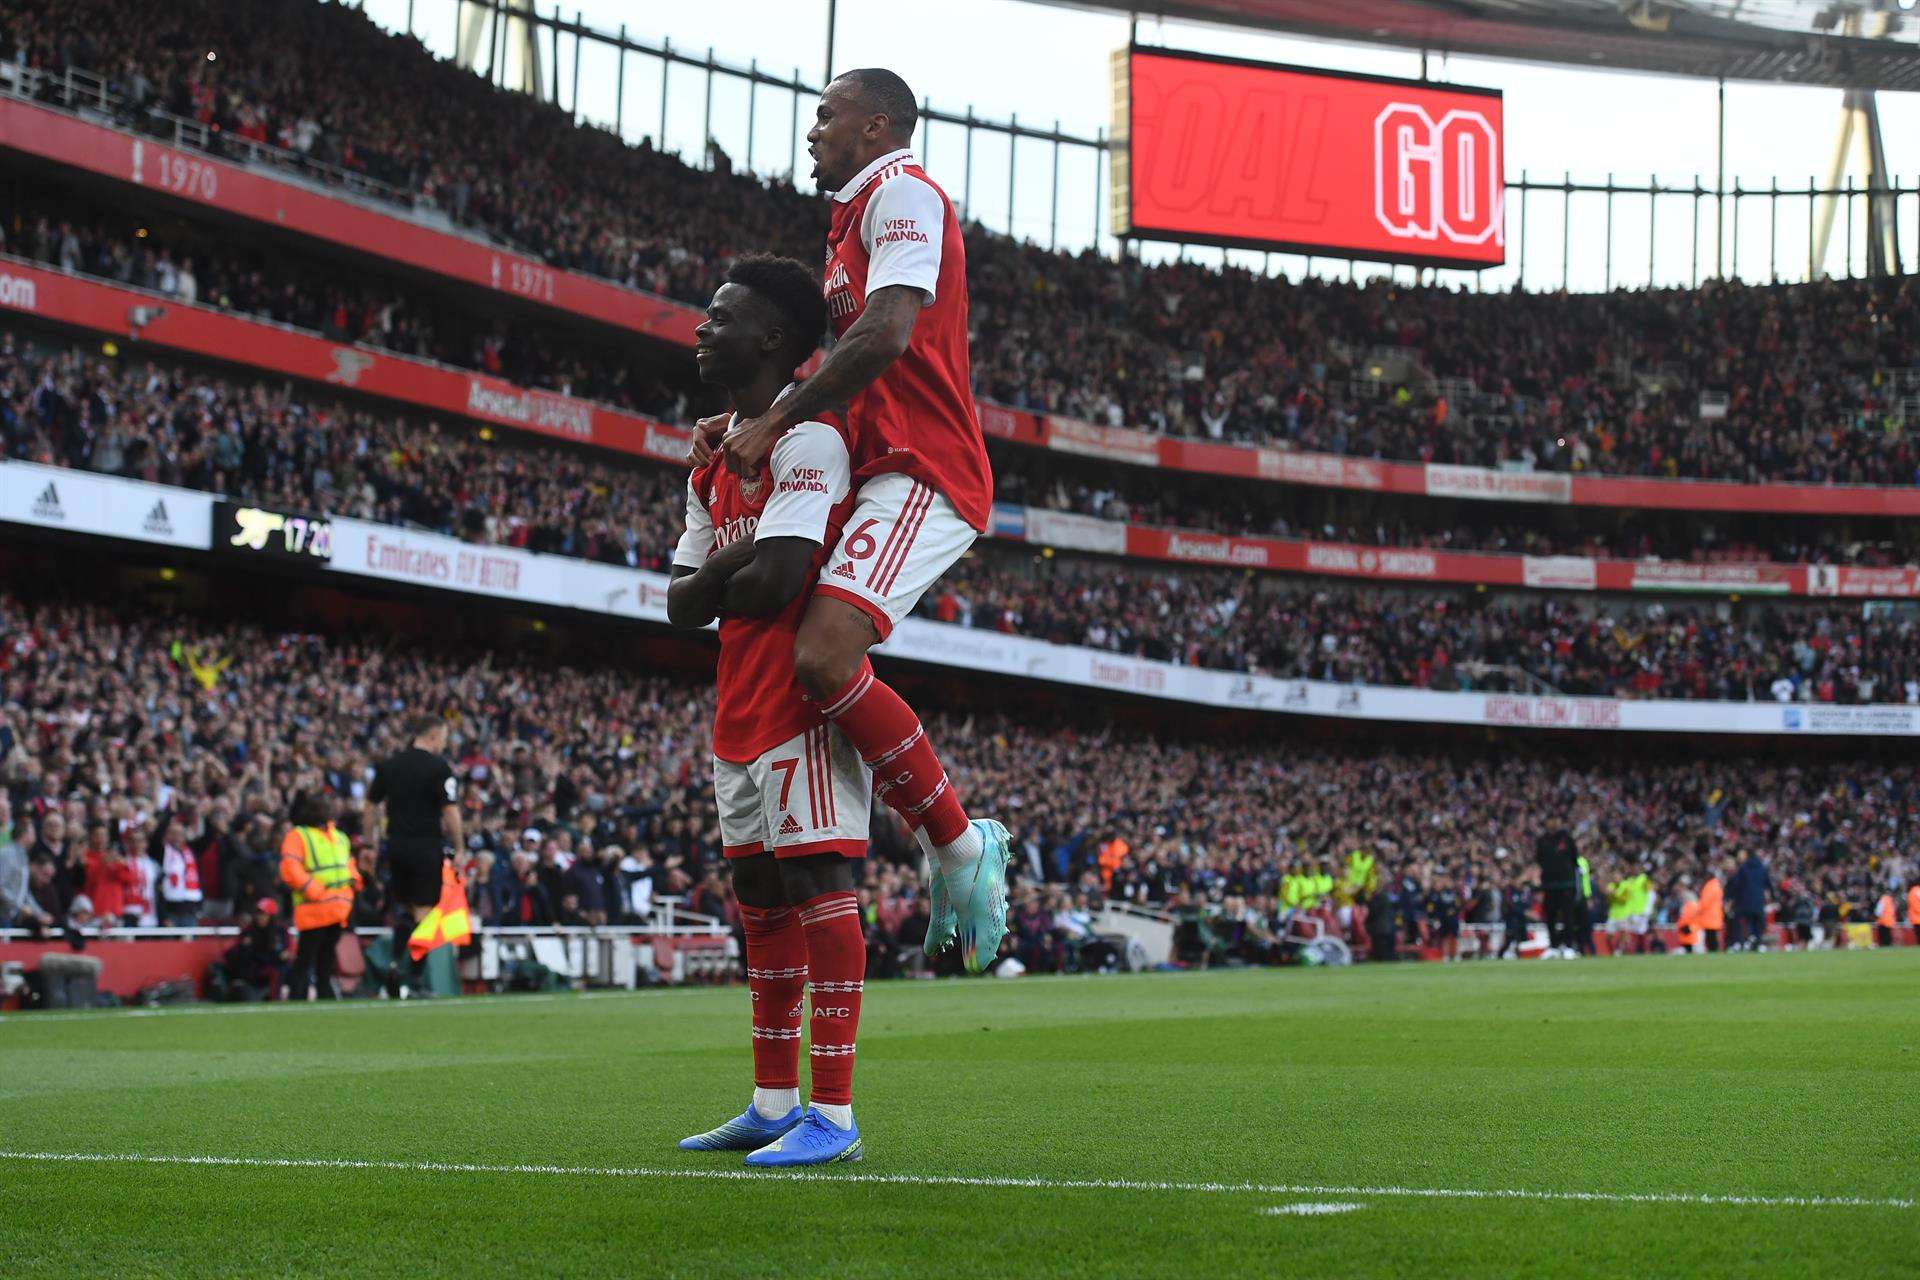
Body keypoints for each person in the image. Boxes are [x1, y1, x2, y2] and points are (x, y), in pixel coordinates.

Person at [696, 68, 1009, 974]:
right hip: (881, 464)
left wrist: (776, 420)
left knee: (826, 653)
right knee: (812, 655)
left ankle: (959, 846)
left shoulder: (901, 192)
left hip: (926, 467)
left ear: (877, 127)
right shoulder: (849, 221)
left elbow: (887, 336)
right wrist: (760, 410)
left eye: (826, 115)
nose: (811, 131)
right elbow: (850, 354)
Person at [669, 255, 869, 1168]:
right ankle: (771, 1100)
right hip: (733, 713)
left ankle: (833, 1112)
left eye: (721, 317)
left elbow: (781, 579)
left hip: (799, 701)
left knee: (820, 891)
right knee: (757, 900)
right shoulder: (711, 462)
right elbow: (682, 604)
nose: (702, 330)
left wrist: (714, 577)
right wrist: (719, 579)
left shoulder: (808, 440)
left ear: (775, 341)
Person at [369, 715, 463, 998]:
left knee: (407, 909)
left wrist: (371, 841)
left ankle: (396, 964)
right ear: (433, 735)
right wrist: (459, 846)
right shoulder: (438, 768)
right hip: (425, 846)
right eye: (444, 738)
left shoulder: (390, 766)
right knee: (425, 913)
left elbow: (370, 805)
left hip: (396, 846)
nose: (444, 745)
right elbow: (450, 810)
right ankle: (417, 979)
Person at [279, 790, 360, 1001]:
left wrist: (354, 880)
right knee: (306, 958)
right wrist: (313, 890)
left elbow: (347, 863)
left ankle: (322, 997)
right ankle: (299, 996)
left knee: (325, 958)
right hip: (314, 908)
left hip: (338, 907)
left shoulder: (339, 837)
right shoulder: (299, 835)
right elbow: (290, 868)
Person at [1534, 819, 1580, 958]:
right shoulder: (1542, 840)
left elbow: (1574, 859)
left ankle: (1569, 946)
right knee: (1550, 916)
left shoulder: (1567, 839)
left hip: (1566, 883)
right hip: (1549, 885)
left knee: (1568, 916)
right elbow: (1539, 860)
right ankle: (1553, 946)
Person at [1729, 847, 1773, 950]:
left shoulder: (1743, 868)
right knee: (1758, 922)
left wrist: (1732, 898)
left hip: (1744, 902)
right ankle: (1757, 942)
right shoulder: (1762, 868)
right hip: (1758, 902)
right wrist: (1772, 896)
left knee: (1744, 922)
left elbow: (1737, 885)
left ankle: (1744, 941)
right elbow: (1769, 884)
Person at [1697, 863, 1725, 953]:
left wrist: (1698, 910)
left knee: (1711, 938)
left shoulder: (1710, 886)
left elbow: (1704, 903)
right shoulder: (1716, 885)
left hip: (1709, 917)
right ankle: (1715, 952)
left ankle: (1714, 953)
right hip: (1715, 916)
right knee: (1713, 937)